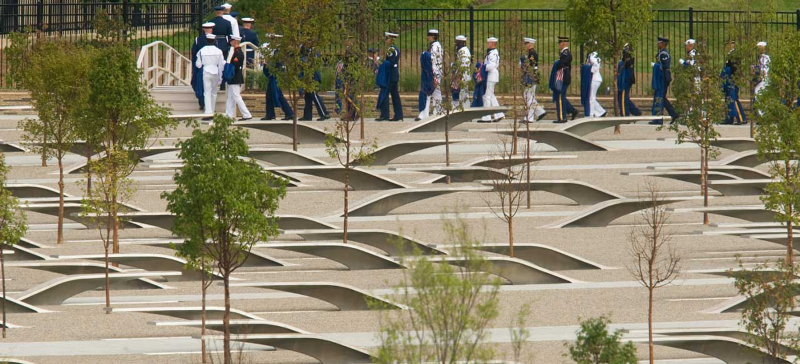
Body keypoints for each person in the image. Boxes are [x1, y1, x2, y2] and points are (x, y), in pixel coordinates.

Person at [260, 36, 294, 121]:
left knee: (278, 95)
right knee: (269, 95)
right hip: (274, 76)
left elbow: (274, 65)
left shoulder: (277, 52)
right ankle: (270, 114)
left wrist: (266, 64)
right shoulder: (278, 51)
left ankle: (289, 113)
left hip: (275, 76)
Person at [195, 33, 226, 120]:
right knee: (214, 93)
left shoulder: (202, 51)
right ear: (214, 41)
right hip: (215, 72)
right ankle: (212, 110)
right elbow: (221, 65)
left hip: (206, 72)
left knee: (207, 92)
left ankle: (208, 112)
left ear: (206, 40)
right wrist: (220, 77)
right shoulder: (219, 51)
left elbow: (198, 64)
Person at [650, 36, 678, 125]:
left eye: (659, 43)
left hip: (663, 77)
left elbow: (665, 66)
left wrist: (655, 65)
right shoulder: (661, 53)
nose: (658, 44)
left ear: (662, 44)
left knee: (660, 97)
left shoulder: (663, 54)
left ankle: (658, 118)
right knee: (662, 97)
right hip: (662, 77)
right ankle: (673, 114)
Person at [416, 29, 442, 121]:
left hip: (433, 72)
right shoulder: (436, 46)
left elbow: (433, 60)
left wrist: (433, 73)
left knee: (427, 92)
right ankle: (437, 112)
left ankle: (425, 114)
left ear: (432, 36)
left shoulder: (435, 46)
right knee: (436, 93)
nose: (428, 37)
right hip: (436, 72)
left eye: (429, 35)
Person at [377, 32, 403, 121]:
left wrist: (380, 61)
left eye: (387, 39)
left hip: (391, 74)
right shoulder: (395, 49)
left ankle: (385, 114)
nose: (386, 41)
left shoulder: (391, 50)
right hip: (394, 74)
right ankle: (399, 114)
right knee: (395, 95)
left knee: (385, 93)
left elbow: (390, 63)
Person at [299, 45, 330, 121]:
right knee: (308, 97)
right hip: (308, 78)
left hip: (313, 78)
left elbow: (306, 63)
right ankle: (307, 115)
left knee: (314, 95)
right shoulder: (311, 55)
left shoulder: (312, 56)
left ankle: (324, 114)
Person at [225, 36, 252, 121]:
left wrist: (229, 74)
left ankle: (246, 114)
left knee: (236, 96)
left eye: (231, 41)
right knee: (230, 97)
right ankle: (229, 115)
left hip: (235, 77)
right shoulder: (236, 51)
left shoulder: (238, 53)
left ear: (235, 41)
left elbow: (235, 66)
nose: (230, 42)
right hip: (234, 77)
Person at [191, 22, 216, 111]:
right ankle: (210, 107)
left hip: (200, 66)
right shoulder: (215, 39)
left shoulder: (198, 40)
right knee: (211, 89)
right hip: (212, 67)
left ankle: (202, 102)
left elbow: (194, 54)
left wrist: (194, 68)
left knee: (199, 85)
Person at [520, 37, 545, 122]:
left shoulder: (532, 54)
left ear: (530, 44)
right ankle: (540, 111)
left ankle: (529, 117)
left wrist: (523, 64)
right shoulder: (530, 53)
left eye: (526, 44)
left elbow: (531, 65)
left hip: (530, 76)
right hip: (530, 76)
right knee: (529, 96)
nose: (525, 46)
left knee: (528, 97)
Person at [480, 37, 504, 123]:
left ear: (493, 44)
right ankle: (499, 114)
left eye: (489, 43)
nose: (487, 44)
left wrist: (482, 67)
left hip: (491, 75)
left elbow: (492, 65)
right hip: (491, 75)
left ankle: (487, 117)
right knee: (491, 96)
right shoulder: (491, 52)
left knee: (487, 96)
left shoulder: (493, 54)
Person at [553, 36, 577, 123]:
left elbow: (561, 64)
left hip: (563, 77)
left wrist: (557, 63)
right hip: (564, 77)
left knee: (560, 97)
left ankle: (562, 117)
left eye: (559, 43)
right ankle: (571, 110)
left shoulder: (565, 53)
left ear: (563, 43)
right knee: (562, 96)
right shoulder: (564, 53)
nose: (559, 45)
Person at [721, 41, 746, 125]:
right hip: (730, 78)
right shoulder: (731, 53)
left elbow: (734, 67)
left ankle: (741, 118)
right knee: (729, 99)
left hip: (732, 78)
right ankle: (729, 118)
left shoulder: (734, 54)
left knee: (733, 99)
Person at [617, 43, 641, 116]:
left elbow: (627, 62)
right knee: (623, 97)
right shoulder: (623, 61)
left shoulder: (629, 60)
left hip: (626, 80)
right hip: (624, 80)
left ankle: (625, 114)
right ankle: (636, 111)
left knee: (623, 98)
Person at [452, 35, 471, 109]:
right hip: (463, 75)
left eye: (457, 42)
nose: (455, 44)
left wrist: (458, 76)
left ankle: (464, 109)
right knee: (464, 94)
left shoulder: (463, 51)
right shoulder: (463, 50)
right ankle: (466, 109)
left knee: (462, 94)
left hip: (463, 76)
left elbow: (463, 65)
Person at [585, 51, 606, 117]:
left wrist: (591, 69)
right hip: (595, 79)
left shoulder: (592, 55)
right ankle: (601, 112)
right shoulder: (594, 55)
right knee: (591, 97)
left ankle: (591, 114)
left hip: (595, 79)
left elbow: (595, 65)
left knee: (591, 98)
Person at [753, 41, 770, 116]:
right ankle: (761, 114)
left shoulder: (764, 58)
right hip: (763, 79)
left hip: (763, 80)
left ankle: (762, 115)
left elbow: (764, 69)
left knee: (759, 95)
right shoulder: (761, 58)